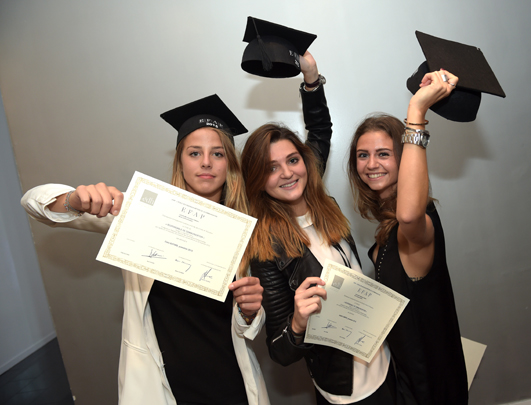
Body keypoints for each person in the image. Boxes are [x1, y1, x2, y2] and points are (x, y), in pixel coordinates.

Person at [21, 95, 269, 405]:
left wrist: (249, 311)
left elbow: (247, 329)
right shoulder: (142, 213)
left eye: (217, 153)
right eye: (195, 153)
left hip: (231, 383)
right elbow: (34, 203)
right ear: (180, 160)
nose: (206, 162)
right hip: (164, 386)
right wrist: (75, 200)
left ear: (229, 163)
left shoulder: (242, 230)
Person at [241, 52, 396, 405]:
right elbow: (280, 352)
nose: (287, 173)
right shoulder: (266, 250)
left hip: (385, 360)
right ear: (257, 180)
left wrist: (311, 79)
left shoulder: (321, 202)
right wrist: (297, 321)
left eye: (292, 160)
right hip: (346, 391)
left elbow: (320, 130)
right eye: (270, 168)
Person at [347, 69, 468, 404]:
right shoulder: (385, 235)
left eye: (384, 153)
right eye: (363, 155)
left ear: (403, 159)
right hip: (407, 382)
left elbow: (409, 213)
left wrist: (417, 113)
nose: (371, 164)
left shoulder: (419, 226)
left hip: (432, 389)